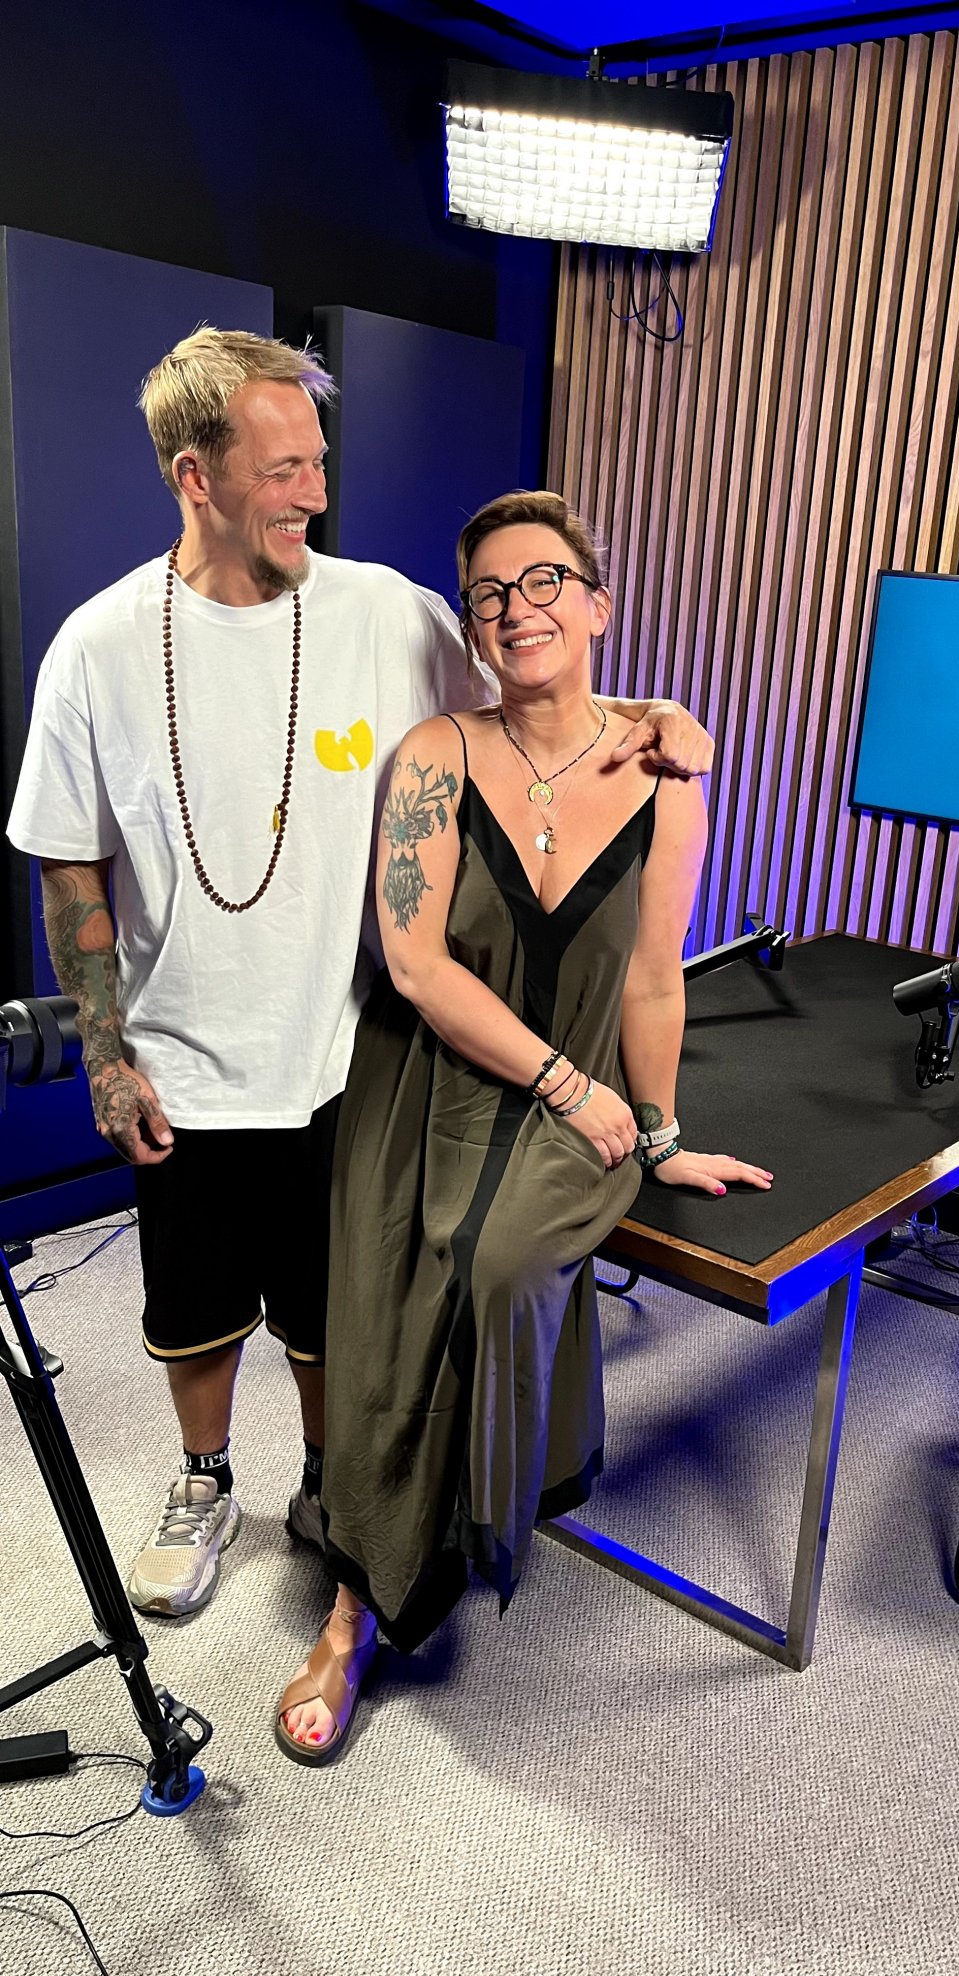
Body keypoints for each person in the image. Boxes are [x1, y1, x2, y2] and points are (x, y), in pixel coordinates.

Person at [6, 329, 715, 1622]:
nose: (315, 491)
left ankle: (330, 1486)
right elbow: (70, 870)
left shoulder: (392, 614)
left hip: (357, 1058)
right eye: (282, 468)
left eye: (319, 461)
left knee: (339, 1314)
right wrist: (105, 1055)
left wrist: (656, 719)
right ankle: (205, 1477)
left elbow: (530, 701)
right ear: (194, 475)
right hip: (180, 1053)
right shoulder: (95, 649)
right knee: (194, 1304)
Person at [275, 490, 771, 1762]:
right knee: (396, 1301)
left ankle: (474, 1510)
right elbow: (415, 962)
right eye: (490, 593)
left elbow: (653, 979)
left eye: (544, 579)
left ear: (598, 603)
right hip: (431, 1076)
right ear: (474, 626)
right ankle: (355, 1603)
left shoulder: (667, 770)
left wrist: (657, 1129)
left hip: (579, 1093)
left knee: (495, 1262)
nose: (516, 608)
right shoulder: (435, 755)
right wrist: (566, 1082)